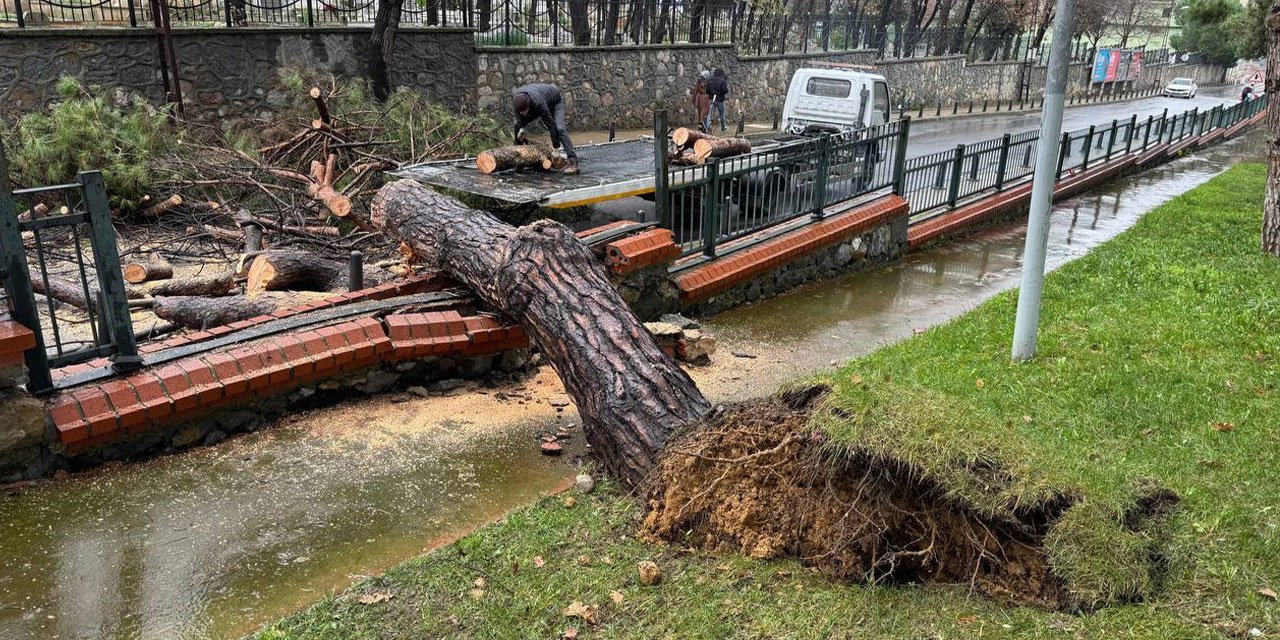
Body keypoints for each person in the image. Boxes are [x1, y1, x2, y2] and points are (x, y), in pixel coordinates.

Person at [512, 83, 579, 175]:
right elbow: (519, 118)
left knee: (560, 128)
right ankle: (519, 160)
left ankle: (573, 162)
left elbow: (550, 125)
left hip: (556, 103)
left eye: (524, 111)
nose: (523, 114)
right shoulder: (516, 99)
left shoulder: (538, 102)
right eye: (521, 112)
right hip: (538, 105)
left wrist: (556, 148)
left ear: (528, 106)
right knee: (516, 125)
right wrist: (521, 129)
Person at [705, 68, 730, 133]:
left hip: (711, 99)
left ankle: (707, 127)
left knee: (709, 114)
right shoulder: (722, 80)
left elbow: (707, 90)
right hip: (720, 99)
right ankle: (723, 127)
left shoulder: (710, 80)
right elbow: (725, 90)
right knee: (722, 114)